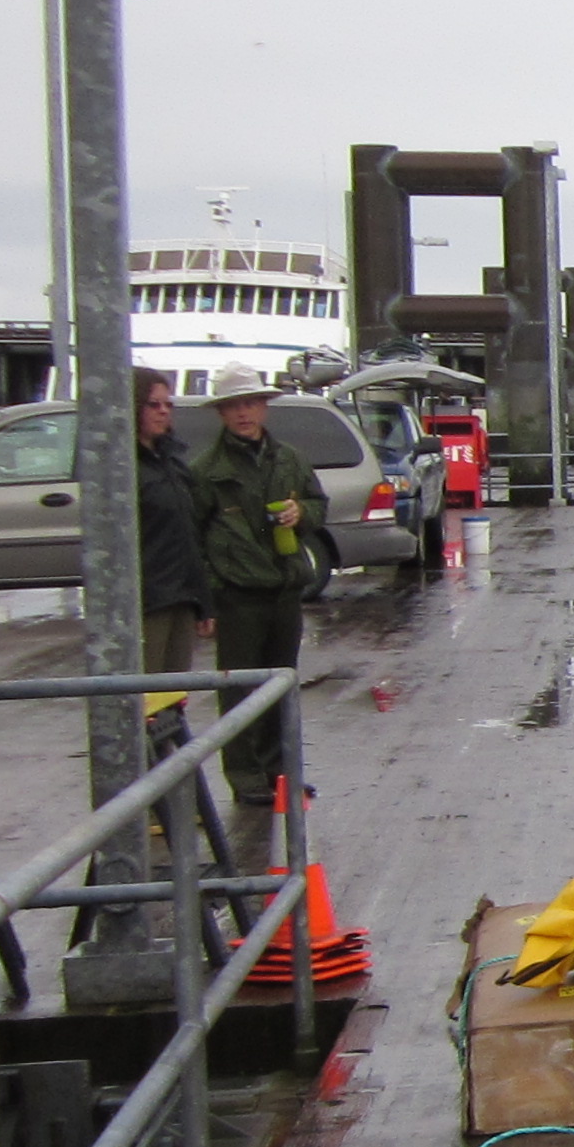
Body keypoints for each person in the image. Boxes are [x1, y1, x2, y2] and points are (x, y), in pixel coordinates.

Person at [188, 364, 319, 870]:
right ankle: (246, 780)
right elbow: (194, 538)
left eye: (251, 403)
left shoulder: (289, 459)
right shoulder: (205, 470)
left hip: (284, 588)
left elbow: (318, 504)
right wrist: (207, 600)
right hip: (237, 594)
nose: (243, 412)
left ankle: (281, 771)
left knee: (282, 683)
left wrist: (300, 514)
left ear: (264, 407)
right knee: (240, 688)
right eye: (233, 405)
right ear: (221, 413)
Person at [132, 368, 212, 678]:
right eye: (153, 404)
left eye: (168, 404)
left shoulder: (173, 460)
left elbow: (190, 536)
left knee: (174, 693)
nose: (163, 411)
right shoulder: (124, 465)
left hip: (182, 596)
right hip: (149, 602)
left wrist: (204, 602)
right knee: (148, 694)